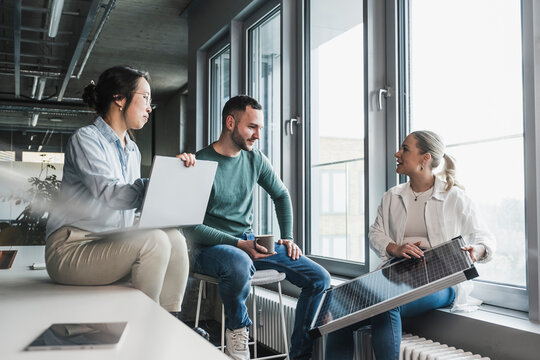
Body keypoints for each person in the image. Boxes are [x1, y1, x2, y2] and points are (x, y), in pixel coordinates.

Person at [183, 95, 331, 360]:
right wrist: (240, 244)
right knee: (238, 261)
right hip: (208, 249)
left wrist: (287, 237)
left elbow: (281, 195)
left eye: (260, 128)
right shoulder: (200, 163)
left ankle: (299, 355)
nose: (257, 135)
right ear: (230, 123)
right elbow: (191, 228)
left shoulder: (255, 159)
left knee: (320, 279)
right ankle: (238, 331)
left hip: (247, 244)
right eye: (252, 127)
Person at [326, 130, 496, 360]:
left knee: (386, 306)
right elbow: (375, 233)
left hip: (440, 279)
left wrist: (477, 250)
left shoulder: (455, 197)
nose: (397, 153)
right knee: (340, 316)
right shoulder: (392, 196)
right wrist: (394, 248)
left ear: (425, 158)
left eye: (405, 149)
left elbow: (485, 238)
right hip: (396, 275)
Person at [45, 65, 195, 314]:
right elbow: (111, 195)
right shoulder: (86, 139)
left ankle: (169, 319)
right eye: (145, 98)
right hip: (70, 249)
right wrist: (158, 183)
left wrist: (172, 182)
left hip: (110, 242)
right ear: (119, 98)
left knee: (174, 238)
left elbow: (131, 209)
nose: (150, 107)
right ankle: (146, 320)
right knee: (155, 240)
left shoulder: (132, 150)